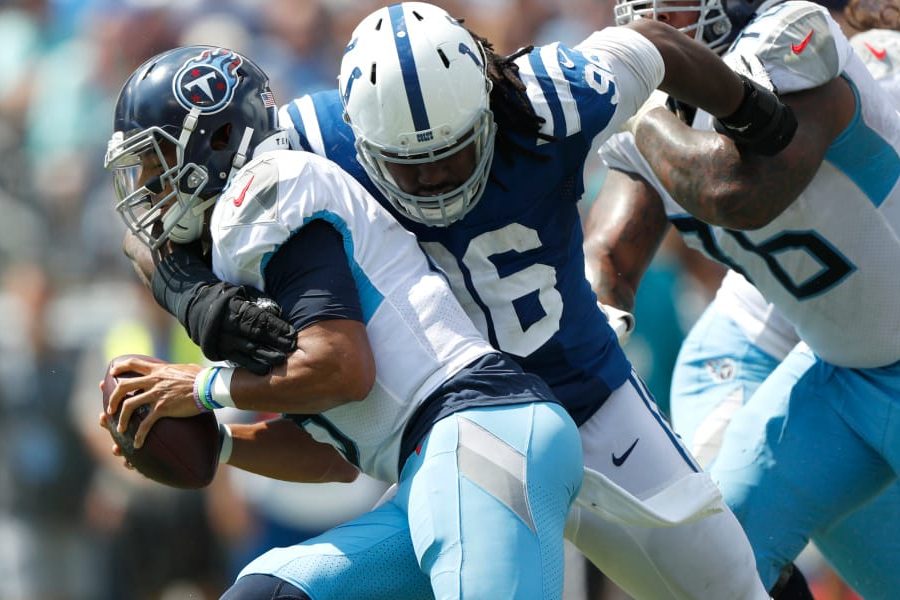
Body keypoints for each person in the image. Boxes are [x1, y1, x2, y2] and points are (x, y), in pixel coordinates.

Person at [127, 3, 801, 599]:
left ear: (487, 102)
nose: (432, 177)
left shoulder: (549, 96)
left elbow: (654, 45)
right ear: (359, 139)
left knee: (739, 587)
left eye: (452, 152)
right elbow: (164, 217)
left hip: (585, 401)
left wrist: (749, 108)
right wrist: (193, 297)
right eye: (405, 164)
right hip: (447, 438)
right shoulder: (310, 145)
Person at [103, 44, 585, 600]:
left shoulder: (263, 192)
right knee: (265, 593)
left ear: (214, 143)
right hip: (433, 463)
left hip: (477, 437)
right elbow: (334, 458)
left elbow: (342, 369)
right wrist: (220, 444)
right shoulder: (245, 239)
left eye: (154, 164)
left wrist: (200, 386)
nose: (148, 186)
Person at [585, 0, 900, 596]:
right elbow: (609, 256)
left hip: (844, 343)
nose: (658, 15)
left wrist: (640, 110)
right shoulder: (663, 110)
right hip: (836, 368)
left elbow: (732, 192)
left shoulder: (798, 41)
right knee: (713, 564)